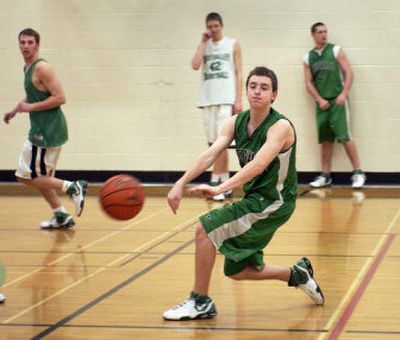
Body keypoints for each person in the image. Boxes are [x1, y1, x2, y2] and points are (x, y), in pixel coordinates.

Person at [163, 67, 324, 321]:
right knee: (237, 270)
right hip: (255, 200)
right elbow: (210, 154)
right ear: (246, 90)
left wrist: (219, 188)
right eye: (253, 86)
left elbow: (258, 165)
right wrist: (180, 183)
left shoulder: (280, 126)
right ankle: (297, 274)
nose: (257, 91)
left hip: (274, 201)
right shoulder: (235, 122)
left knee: (205, 228)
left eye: (264, 88)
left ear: (274, 95)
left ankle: (200, 301)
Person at [3, 28, 87, 229]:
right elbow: (35, 95)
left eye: (30, 42)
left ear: (37, 45)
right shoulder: (28, 68)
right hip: (44, 128)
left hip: (46, 130)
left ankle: (73, 187)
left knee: (26, 176)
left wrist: (29, 108)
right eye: (22, 42)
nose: (25, 46)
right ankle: (61, 215)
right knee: (42, 178)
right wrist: (16, 109)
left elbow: (60, 97)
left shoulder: (43, 68)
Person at [304, 22, 366, 188]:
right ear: (313, 35)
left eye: (325, 32)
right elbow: (308, 82)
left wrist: (343, 94)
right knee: (325, 140)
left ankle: (358, 172)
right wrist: (319, 99)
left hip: (338, 101)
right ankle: (325, 175)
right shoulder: (308, 57)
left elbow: (349, 73)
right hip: (322, 103)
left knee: (345, 137)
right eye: (320, 32)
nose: (324, 35)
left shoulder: (336, 50)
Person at [191, 12, 243, 200]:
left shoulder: (232, 44)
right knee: (213, 143)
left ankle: (216, 181)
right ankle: (224, 183)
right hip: (207, 99)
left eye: (216, 26)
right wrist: (202, 43)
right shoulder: (204, 46)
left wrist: (238, 99)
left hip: (225, 98)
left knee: (222, 143)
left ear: (222, 25)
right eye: (210, 27)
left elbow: (239, 72)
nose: (213, 30)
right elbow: (195, 65)